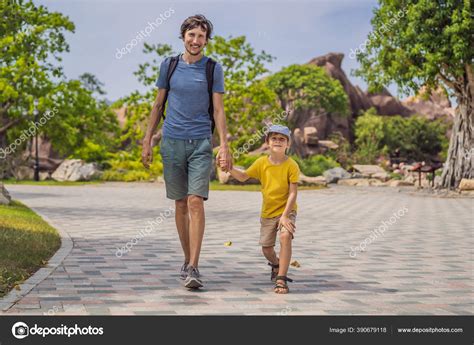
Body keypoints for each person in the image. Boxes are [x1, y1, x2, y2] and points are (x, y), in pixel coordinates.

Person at [142, 14, 232, 289]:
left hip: (201, 143)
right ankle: (186, 260)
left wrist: (225, 145)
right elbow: (158, 106)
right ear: (183, 37)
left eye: (201, 36)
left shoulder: (212, 69)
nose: (196, 40)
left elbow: (218, 110)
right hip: (171, 142)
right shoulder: (168, 65)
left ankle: (194, 265)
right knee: (180, 203)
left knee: (195, 201)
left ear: (206, 40)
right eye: (191, 35)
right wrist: (147, 140)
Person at [222, 125, 299, 294]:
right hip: (268, 213)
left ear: (288, 144)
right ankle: (276, 264)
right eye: (274, 138)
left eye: (282, 139)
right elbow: (243, 177)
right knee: (266, 249)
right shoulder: (261, 163)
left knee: (285, 236)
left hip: (287, 210)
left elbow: (293, 193)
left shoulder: (291, 165)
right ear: (267, 142)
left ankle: (281, 279)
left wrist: (285, 216)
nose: (278, 141)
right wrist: (229, 168)